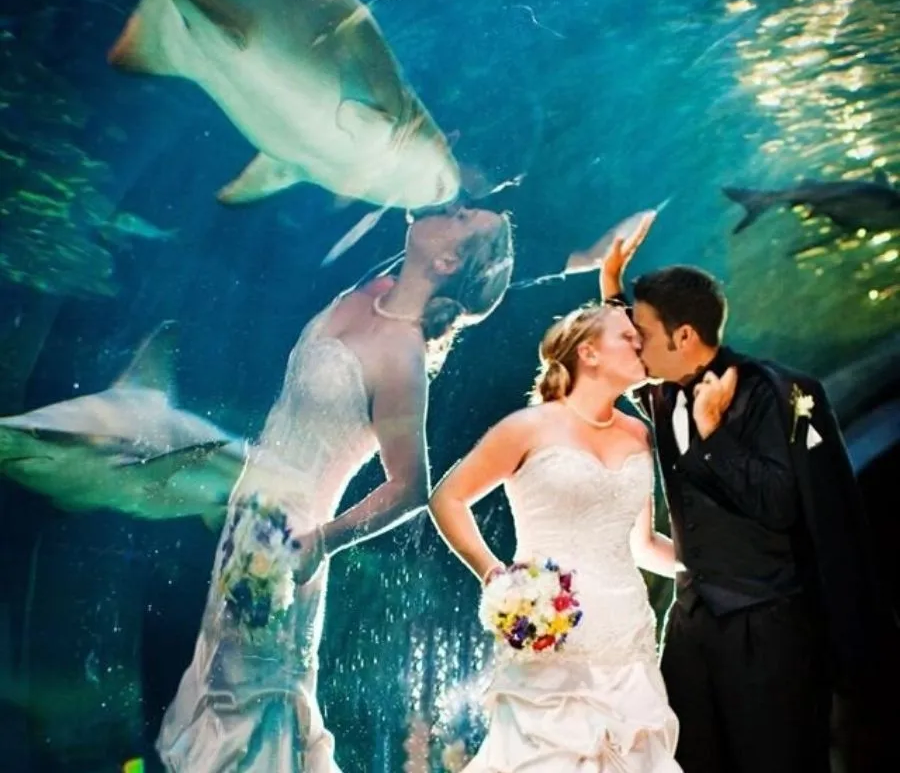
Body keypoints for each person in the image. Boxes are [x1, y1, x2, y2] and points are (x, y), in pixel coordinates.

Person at [156, 205, 515, 772]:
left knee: (247, 704)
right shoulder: (372, 284)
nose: (453, 205)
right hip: (247, 515)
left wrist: (323, 540)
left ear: (447, 260)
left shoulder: (403, 357)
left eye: (465, 217)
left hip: (287, 540)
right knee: (215, 678)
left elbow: (410, 486)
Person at [599, 233, 898, 773]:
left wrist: (714, 438)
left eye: (641, 334)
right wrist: (611, 285)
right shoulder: (661, 390)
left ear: (684, 334)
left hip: (769, 633)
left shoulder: (773, 394)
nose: (634, 347)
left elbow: (781, 503)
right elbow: (632, 329)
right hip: (691, 628)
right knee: (686, 760)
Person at [429, 303, 682, 772]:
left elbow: (643, 545)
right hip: (551, 637)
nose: (640, 346)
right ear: (589, 352)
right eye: (628, 337)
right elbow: (448, 499)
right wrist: (495, 576)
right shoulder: (527, 427)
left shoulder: (639, 434)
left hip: (627, 641)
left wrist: (723, 568)